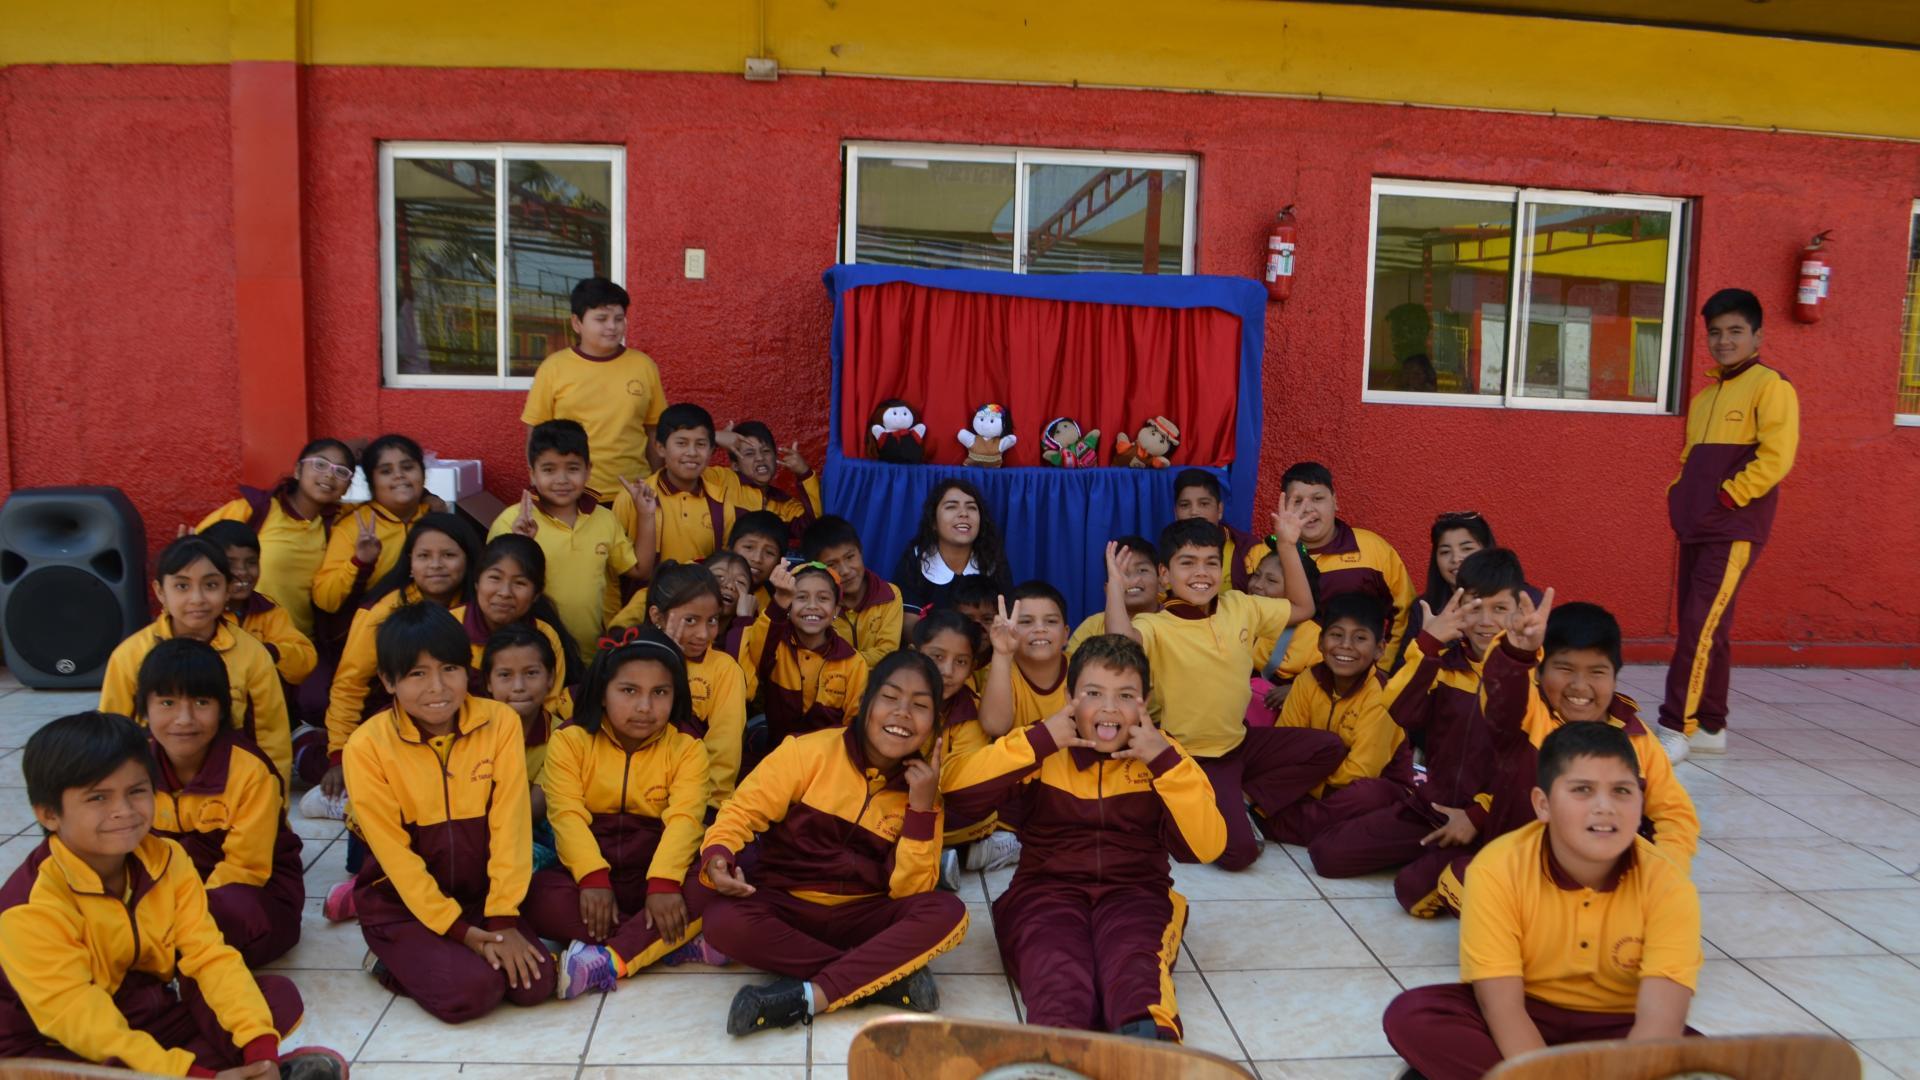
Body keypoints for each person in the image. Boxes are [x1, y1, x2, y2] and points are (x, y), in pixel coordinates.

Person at [0, 711, 347, 1077]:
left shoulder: (166, 859)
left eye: (136, 791)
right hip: (50, 1045)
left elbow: (209, 956)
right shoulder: (29, 907)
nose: (124, 811)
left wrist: (259, 1053)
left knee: (271, 1001)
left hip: (136, 1011)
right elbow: (82, 1020)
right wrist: (195, 1076)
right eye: (98, 798)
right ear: (49, 814)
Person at [942, 635, 1226, 1041]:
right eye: (1093, 693)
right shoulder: (1042, 745)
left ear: (1145, 703)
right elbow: (956, 793)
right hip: (1043, 892)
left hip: (1137, 894)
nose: (1109, 708)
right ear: (1070, 698)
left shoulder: (1164, 755)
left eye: (1125, 695)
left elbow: (1208, 846)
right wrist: (1040, 741)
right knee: (1055, 970)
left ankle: (1146, 1048)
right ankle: (1057, 1055)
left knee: (1134, 967)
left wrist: (1164, 763)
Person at [1382, 724, 1702, 1080]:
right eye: (1582, 790)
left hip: (1619, 1027)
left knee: (1703, 1063)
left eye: (1622, 791)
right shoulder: (1497, 869)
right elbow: (1502, 1007)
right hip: (1527, 1011)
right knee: (1415, 1015)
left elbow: (1660, 1021)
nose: (1605, 807)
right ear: (1543, 805)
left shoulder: (1668, 883)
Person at [699, 651, 969, 1034]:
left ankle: (810, 995)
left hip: (864, 914)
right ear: (865, 702)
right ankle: (878, 980)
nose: (903, 713)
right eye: (890, 697)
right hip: (787, 905)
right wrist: (719, 856)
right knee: (722, 920)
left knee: (947, 911)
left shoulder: (924, 792)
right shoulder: (808, 751)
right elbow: (741, 811)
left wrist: (920, 811)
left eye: (920, 705)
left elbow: (910, 891)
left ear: (934, 725)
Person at [345, 602, 555, 1021]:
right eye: (417, 674)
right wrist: (459, 931)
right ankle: (388, 960)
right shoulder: (367, 747)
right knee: (473, 993)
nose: (437, 688)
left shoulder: (499, 723)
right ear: (388, 680)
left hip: (478, 895)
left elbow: (511, 826)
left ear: (467, 670)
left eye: (449, 669)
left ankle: (439, 955)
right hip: (402, 905)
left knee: (536, 985)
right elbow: (396, 859)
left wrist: (501, 919)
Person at [1103, 514, 1344, 871]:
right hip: (1194, 757)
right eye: (1188, 563)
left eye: (1211, 563)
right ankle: (1181, 810)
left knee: (1329, 747)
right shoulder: (1154, 624)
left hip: (1239, 743)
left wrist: (1288, 545)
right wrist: (1115, 588)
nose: (1201, 573)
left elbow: (1303, 608)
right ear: (1165, 575)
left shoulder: (1240, 605)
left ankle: (1245, 800)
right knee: (1238, 855)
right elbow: (1119, 646)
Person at [1305, 549, 1523, 891]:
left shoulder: (1527, 677)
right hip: (1431, 808)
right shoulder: (1444, 664)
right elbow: (1399, 710)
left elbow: (1529, 767)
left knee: (1413, 888)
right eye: (1474, 607)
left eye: (1499, 609)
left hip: (1488, 820)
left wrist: (1478, 815)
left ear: (1519, 611)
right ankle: (1436, 856)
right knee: (1326, 854)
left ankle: (1466, 864)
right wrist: (1428, 645)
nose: (1485, 621)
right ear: (1456, 605)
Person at [526, 624, 716, 999]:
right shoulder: (570, 739)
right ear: (602, 693)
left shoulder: (687, 746)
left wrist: (664, 884)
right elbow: (566, 815)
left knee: (715, 880)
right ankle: (667, 941)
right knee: (534, 895)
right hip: (591, 881)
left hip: (659, 873)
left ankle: (610, 959)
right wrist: (592, 878)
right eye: (629, 691)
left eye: (660, 692)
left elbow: (685, 820)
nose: (645, 707)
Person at [1659, 287, 1800, 763]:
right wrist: (1679, 496)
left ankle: (1675, 727)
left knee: (1697, 626)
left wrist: (1729, 496)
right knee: (1707, 626)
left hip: (1734, 526)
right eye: (1715, 332)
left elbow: (1777, 457)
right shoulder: (1706, 397)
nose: (1724, 341)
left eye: (1736, 331)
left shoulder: (1771, 386)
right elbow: (1689, 460)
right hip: (1697, 526)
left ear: (1757, 336)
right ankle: (1710, 726)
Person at [1475, 597, 1700, 887]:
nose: (1580, 686)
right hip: (1519, 881)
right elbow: (1501, 699)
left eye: (1597, 672)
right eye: (1565, 669)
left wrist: (1663, 877)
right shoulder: (1528, 716)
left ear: (1615, 677)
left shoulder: (1638, 739)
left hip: (1600, 885)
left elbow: (1674, 815)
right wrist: (1516, 652)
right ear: (1540, 672)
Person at [138, 640, 305, 967]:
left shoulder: (250, 771)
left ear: (224, 709)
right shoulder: (131, 767)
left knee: (238, 912)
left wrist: (182, 915)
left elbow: (245, 868)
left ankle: (165, 956)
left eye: (201, 702)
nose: (184, 719)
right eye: (167, 703)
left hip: (245, 890)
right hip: (162, 893)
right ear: (144, 709)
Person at [99, 537, 292, 794]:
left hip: (231, 788)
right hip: (153, 788)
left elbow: (272, 737)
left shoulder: (252, 654)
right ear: (160, 592)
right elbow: (112, 735)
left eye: (211, 585)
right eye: (182, 586)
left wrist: (275, 801)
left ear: (228, 589)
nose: (197, 598)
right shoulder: (130, 655)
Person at [318, 514, 479, 803]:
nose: (436, 565)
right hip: (395, 720)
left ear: (468, 560)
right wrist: (339, 754)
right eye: (424, 556)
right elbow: (350, 684)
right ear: (409, 564)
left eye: (449, 555)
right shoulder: (383, 612)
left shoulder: (480, 605)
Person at [1261, 593, 1417, 855]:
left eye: (1360, 638)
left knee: (1368, 796)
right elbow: (1285, 743)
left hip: (1363, 790)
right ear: (1320, 642)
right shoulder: (1307, 681)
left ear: (1380, 649)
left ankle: (1280, 824)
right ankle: (1324, 828)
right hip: (1312, 787)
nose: (1346, 646)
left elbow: (1361, 771)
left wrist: (1306, 784)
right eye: (1336, 635)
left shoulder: (1383, 695)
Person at [489, 418, 655, 655]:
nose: (562, 480)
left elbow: (641, 570)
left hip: (593, 653)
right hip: (534, 654)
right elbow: (497, 592)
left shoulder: (604, 519)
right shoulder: (512, 522)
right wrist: (521, 544)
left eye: (573, 469)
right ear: (532, 474)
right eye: (549, 470)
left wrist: (646, 515)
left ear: (588, 471)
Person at [197, 436, 356, 639]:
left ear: (347, 487)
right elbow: (195, 551)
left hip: (295, 641)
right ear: (298, 470)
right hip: (238, 637)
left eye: (341, 471)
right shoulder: (255, 510)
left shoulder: (340, 523)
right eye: (320, 464)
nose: (329, 475)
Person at [521, 276, 668, 493]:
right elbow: (535, 434)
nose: (612, 326)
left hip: (633, 491)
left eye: (619, 319)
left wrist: (657, 485)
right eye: (601, 319)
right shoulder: (553, 368)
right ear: (576, 323)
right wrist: (540, 487)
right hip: (572, 493)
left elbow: (654, 431)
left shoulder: (644, 366)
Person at [1281, 461, 1415, 672]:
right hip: (1279, 682)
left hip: (1358, 680)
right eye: (1297, 501)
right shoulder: (1266, 555)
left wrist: (1382, 670)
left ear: (1335, 501)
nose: (1307, 509)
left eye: (1318, 498)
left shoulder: (1373, 550)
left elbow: (1405, 613)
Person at [636, 562, 749, 811]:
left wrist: (709, 807)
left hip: (694, 799)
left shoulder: (724, 669)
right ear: (657, 617)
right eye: (690, 620)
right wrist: (668, 661)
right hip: (631, 792)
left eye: (712, 620)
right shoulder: (633, 658)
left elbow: (724, 749)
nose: (703, 634)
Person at [739, 561, 871, 748]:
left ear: (836, 610)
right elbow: (756, 649)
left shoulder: (852, 662)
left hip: (828, 757)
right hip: (776, 753)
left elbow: (855, 723)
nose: (812, 606)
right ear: (788, 606)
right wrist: (779, 602)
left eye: (823, 598)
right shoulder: (776, 645)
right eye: (801, 597)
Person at [450, 535, 576, 717]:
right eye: (495, 578)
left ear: (536, 594)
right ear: (477, 583)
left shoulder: (545, 636)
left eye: (519, 583)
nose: (505, 592)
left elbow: (548, 705)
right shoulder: (449, 627)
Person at [909, 610, 997, 870]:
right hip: (893, 801)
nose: (947, 671)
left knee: (979, 809)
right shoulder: (890, 698)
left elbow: (960, 784)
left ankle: (935, 856)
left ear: (972, 667)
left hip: (942, 808)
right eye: (937, 657)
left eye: (960, 662)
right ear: (914, 654)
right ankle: (946, 858)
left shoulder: (972, 712)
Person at [312, 433, 431, 618]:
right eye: (386, 471)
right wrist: (358, 562)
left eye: (408, 467)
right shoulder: (353, 527)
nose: (399, 475)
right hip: (373, 627)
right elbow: (325, 599)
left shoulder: (436, 519)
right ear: (371, 483)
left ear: (423, 474)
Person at [480, 622, 568, 873]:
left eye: (531, 673)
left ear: (550, 678)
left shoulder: (563, 736)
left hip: (528, 829)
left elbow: (532, 811)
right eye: (505, 675)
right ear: (488, 682)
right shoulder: (472, 730)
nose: (518, 686)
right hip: (474, 827)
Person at [614, 403, 746, 565]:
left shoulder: (721, 503)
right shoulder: (631, 498)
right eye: (681, 443)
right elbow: (614, 565)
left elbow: (725, 565)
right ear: (660, 448)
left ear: (711, 450)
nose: (692, 453)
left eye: (701, 444)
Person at [199, 520, 318, 688]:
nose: (243, 571)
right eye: (230, 563)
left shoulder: (269, 611)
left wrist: (268, 651)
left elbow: (305, 661)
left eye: (251, 562)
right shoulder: (198, 611)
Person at [892, 479, 1014, 618]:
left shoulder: (994, 561)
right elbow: (909, 622)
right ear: (933, 522)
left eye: (971, 507)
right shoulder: (915, 560)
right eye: (951, 507)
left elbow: (1005, 618)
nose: (964, 513)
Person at [804, 515, 904, 668]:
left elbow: (887, 654)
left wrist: (839, 659)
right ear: (817, 569)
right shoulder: (814, 607)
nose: (845, 570)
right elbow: (815, 657)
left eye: (850, 557)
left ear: (861, 552)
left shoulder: (889, 594)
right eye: (832, 564)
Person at [979, 582, 1071, 740]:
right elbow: (994, 727)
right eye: (1026, 622)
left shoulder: (1083, 668)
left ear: (1065, 634)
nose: (1040, 629)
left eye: (1051, 621)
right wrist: (1002, 654)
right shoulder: (1000, 670)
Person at [716, 420, 823, 536]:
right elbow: (698, 470)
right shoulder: (720, 482)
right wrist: (715, 438)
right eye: (750, 453)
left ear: (775, 457)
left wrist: (804, 473)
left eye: (766, 451)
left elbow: (815, 528)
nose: (760, 458)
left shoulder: (783, 504)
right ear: (735, 465)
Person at [1406, 510, 1496, 645]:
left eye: (1467, 549)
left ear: (1487, 552)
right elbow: (1404, 659)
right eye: (1445, 552)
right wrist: (1428, 641)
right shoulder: (1424, 608)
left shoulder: (1517, 598)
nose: (1455, 559)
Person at [1171, 469, 1262, 592]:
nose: (1194, 512)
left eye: (1204, 504)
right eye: (1185, 505)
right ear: (1175, 513)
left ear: (1219, 510)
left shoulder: (1251, 549)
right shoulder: (1169, 549)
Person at [1067, 535, 1158, 655]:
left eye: (1142, 570)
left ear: (1162, 580)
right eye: (1121, 573)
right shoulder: (1091, 626)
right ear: (1108, 589)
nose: (1133, 580)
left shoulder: (1173, 621)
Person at [727, 510, 790, 616]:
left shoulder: (776, 601)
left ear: (779, 561)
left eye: (769, 552)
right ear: (730, 549)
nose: (757, 559)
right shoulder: (708, 586)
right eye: (749, 547)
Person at [703, 550, 757, 658]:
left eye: (740, 582)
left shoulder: (756, 634)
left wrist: (744, 620)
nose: (730, 586)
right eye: (719, 576)